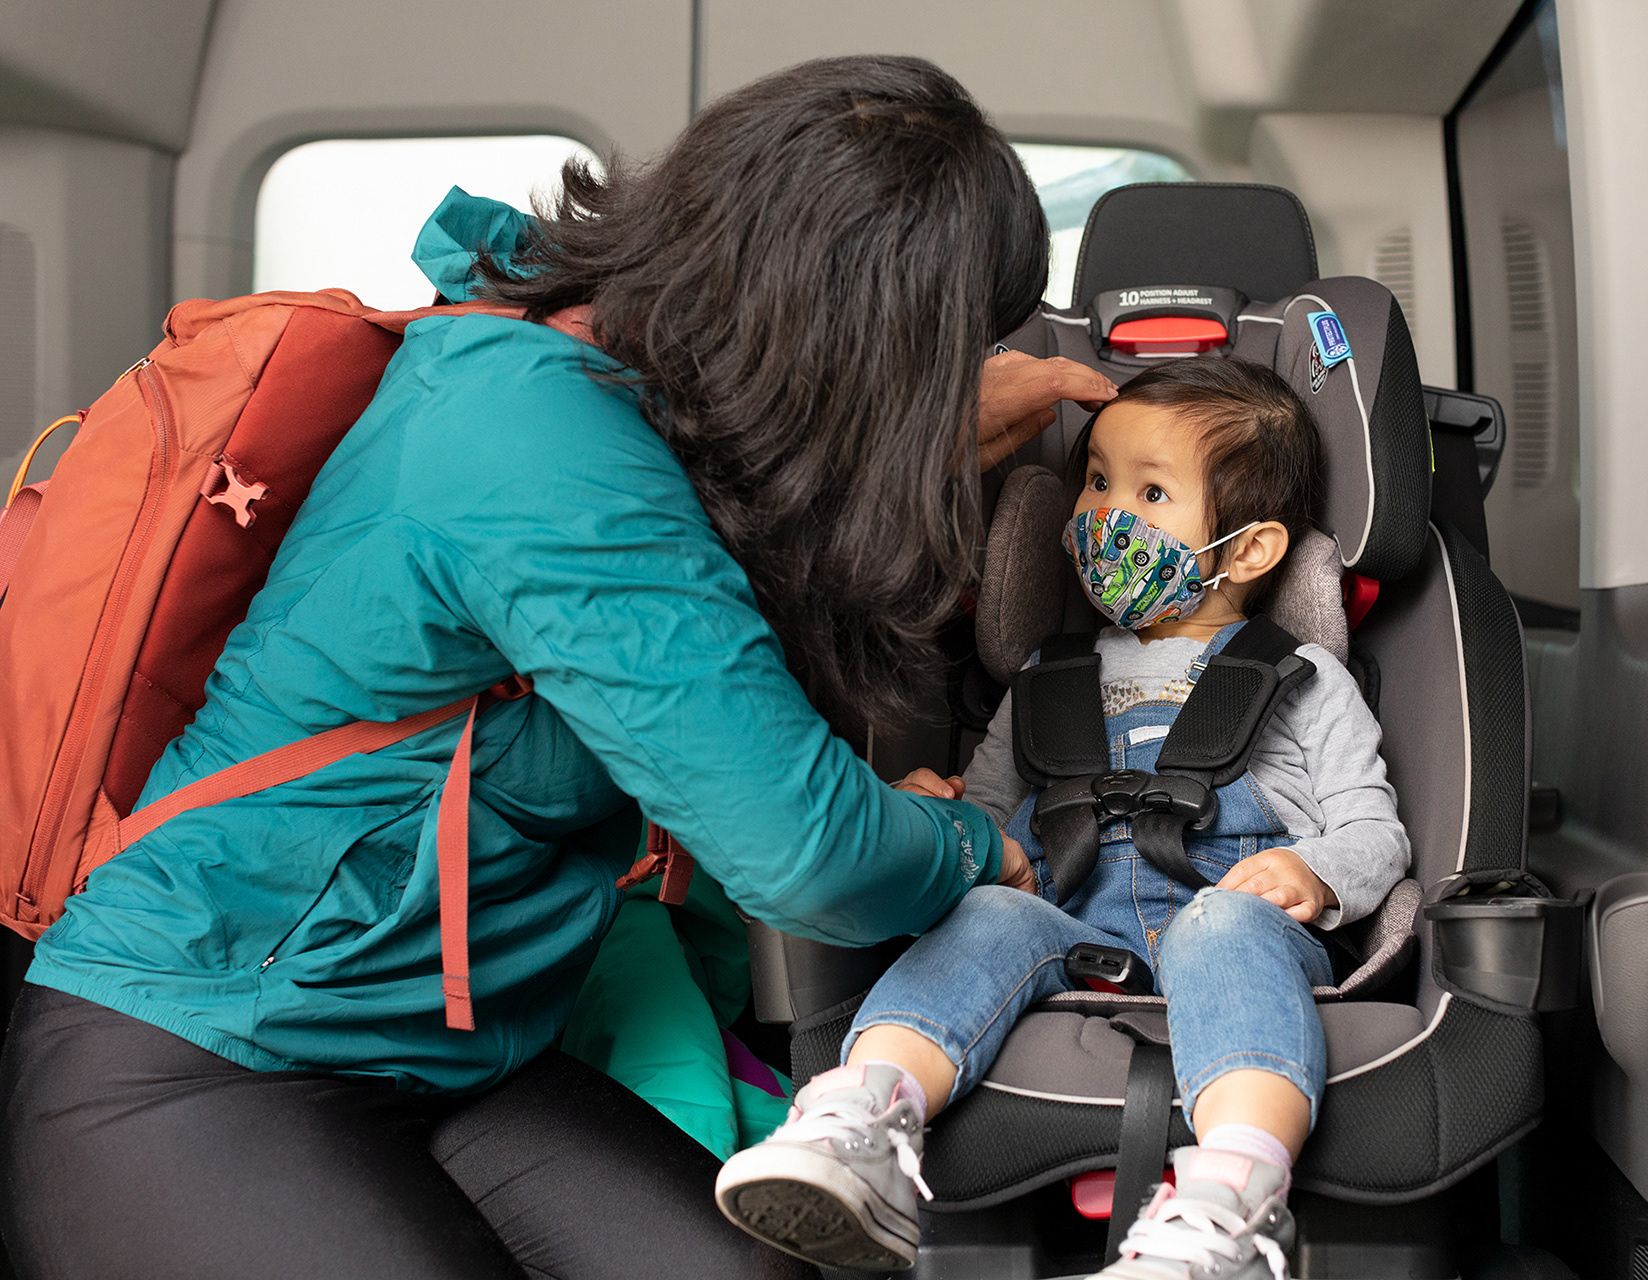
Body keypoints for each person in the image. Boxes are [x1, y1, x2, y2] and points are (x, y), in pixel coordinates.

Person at [0, 57, 1112, 1280]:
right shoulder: (539, 441)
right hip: (204, 1049)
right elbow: (808, 853)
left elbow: (709, 598)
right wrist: (970, 846)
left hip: (454, 1057)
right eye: (944, 351)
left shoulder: (603, 364)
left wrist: (923, 441)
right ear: (856, 324)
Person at [715, 358, 1411, 1278]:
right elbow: (990, 829)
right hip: (1073, 936)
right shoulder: (1047, 682)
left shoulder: (1302, 677)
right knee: (987, 909)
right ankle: (860, 1122)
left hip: (1242, 934)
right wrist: (936, 817)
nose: (1103, 514)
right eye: (1097, 482)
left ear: (1248, 551)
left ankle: (1231, 1204)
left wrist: (1314, 873)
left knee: (1222, 924)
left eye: (1149, 493)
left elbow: (1375, 834)